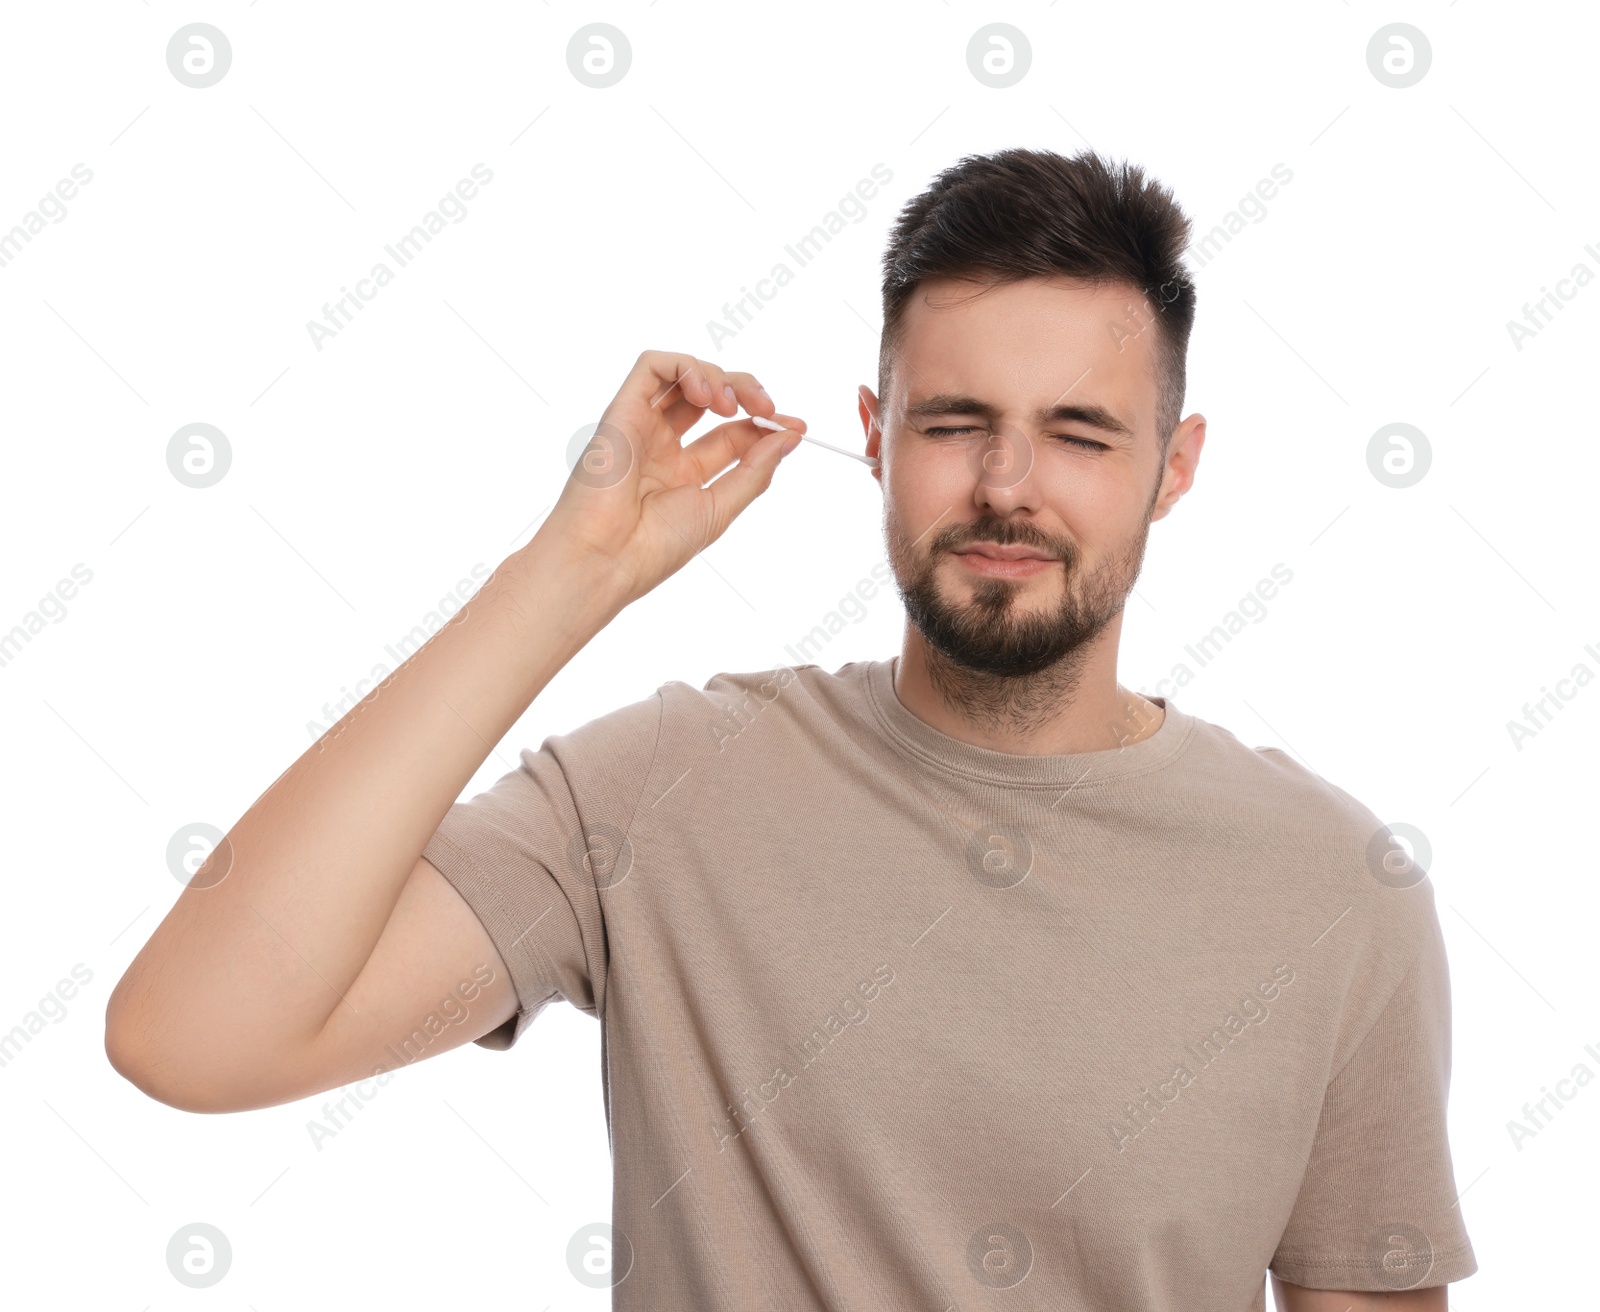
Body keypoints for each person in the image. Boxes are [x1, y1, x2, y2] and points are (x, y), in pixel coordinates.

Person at [106, 147, 1476, 1311]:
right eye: (955, 424)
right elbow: (193, 1036)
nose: (1008, 488)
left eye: (1079, 434)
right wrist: (569, 573)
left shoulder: (1330, 891)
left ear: (1174, 469)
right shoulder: (663, 793)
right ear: (874, 437)